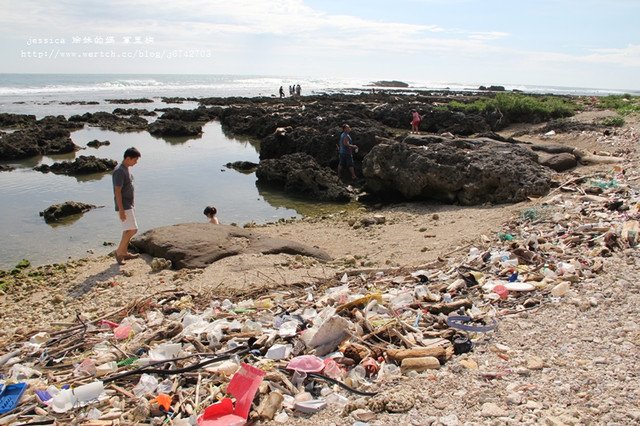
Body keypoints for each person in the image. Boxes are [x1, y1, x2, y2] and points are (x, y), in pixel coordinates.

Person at [112, 147, 141, 265]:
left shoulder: (125, 168)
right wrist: (121, 210)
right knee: (133, 229)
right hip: (124, 205)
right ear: (128, 158)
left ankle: (124, 252)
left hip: (128, 204)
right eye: (135, 160)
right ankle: (119, 252)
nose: (136, 162)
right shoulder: (119, 171)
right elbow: (117, 191)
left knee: (127, 229)